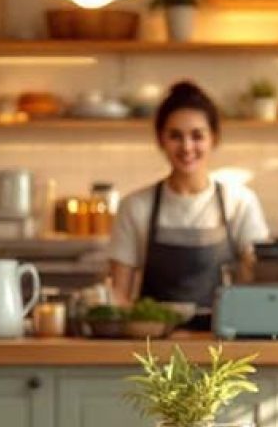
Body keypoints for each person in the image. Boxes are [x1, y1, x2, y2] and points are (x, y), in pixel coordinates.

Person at [109, 80, 269, 326]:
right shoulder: (135, 206)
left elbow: (256, 280)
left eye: (197, 136)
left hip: (223, 346)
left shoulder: (239, 202)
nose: (186, 147)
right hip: (153, 350)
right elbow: (118, 295)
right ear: (160, 140)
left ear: (214, 138)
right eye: (175, 136)